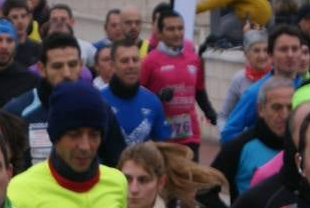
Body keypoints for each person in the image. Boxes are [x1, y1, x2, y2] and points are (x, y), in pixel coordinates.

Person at [6, 31, 124, 167]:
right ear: (42, 69)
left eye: (72, 64)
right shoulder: (17, 112)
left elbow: (118, 164)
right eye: (57, 66)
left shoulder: (100, 109)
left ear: (81, 64)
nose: (66, 73)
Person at [140, 10, 218, 153]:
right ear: (160, 33)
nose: (177, 33)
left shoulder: (194, 59)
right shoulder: (149, 61)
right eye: (171, 29)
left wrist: (209, 112)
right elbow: (139, 96)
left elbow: (199, 91)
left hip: (190, 136)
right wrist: (158, 96)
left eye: (180, 28)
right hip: (161, 137)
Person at [221, 25, 307, 141]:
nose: (290, 55)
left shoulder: (309, 89)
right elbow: (229, 133)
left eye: (295, 49)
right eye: (283, 49)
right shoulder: (255, 93)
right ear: (270, 55)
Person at [102, 41, 169, 146]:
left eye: (135, 60)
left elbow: (162, 146)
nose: (131, 65)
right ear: (113, 65)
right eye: (124, 61)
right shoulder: (97, 99)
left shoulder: (153, 102)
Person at [220, 29, 272, 119]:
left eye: (265, 50)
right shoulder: (239, 79)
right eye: (256, 51)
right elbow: (223, 116)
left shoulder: (276, 76)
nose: (262, 55)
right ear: (246, 54)